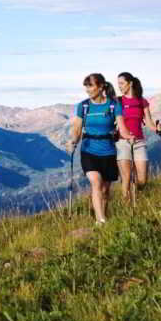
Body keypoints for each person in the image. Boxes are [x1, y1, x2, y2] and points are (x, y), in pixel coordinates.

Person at [67, 73, 132, 224]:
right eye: (86, 86)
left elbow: (122, 128)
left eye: (91, 86)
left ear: (101, 86)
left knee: (105, 191)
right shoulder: (83, 106)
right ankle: (100, 220)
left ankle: (103, 214)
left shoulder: (113, 105)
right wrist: (73, 141)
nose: (88, 90)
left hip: (109, 151)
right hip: (89, 150)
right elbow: (77, 129)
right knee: (96, 182)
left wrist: (130, 137)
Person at [116, 72, 161, 201]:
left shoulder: (142, 101)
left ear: (130, 83)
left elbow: (149, 123)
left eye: (121, 83)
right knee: (126, 178)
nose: (119, 86)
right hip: (122, 142)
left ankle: (137, 196)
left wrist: (157, 128)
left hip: (139, 142)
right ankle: (127, 206)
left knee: (142, 179)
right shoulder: (118, 101)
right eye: (118, 83)